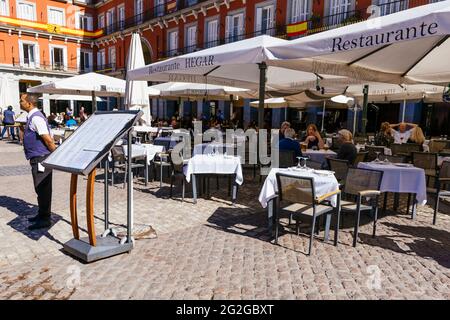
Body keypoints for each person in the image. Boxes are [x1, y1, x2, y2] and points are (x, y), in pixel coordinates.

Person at [19, 93, 56, 230]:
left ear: (29, 103)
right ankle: (42, 214)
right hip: (37, 157)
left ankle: (45, 218)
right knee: (40, 188)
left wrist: (57, 155)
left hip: (41, 158)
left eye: (22, 100)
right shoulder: (33, 117)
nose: (20, 102)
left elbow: (48, 139)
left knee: (43, 188)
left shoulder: (36, 118)